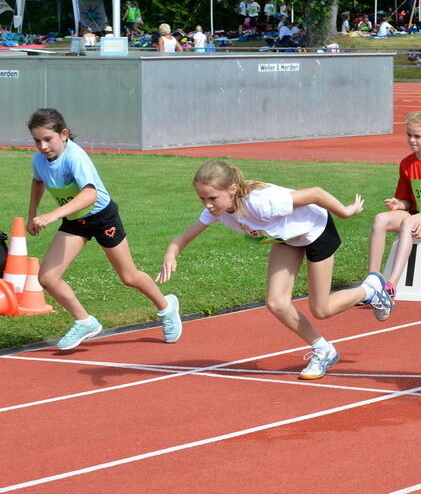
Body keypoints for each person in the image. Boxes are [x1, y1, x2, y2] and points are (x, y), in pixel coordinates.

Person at [157, 160, 393, 380]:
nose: (207, 205)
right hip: (286, 237)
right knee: (276, 302)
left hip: (315, 230)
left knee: (321, 309)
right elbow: (182, 237)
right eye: (202, 198)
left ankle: (370, 290)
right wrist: (170, 254)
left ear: (231, 189)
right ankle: (323, 349)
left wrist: (344, 212)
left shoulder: (262, 203)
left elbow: (316, 193)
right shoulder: (216, 211)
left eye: (212, 198)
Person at [25, 108, 182, 350]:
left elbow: (90, 194)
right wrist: (32, 214)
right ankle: (85, 321)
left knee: (129, 276)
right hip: (75, 220)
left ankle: (167, 307)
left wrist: (54, 214)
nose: (43, 146)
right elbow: (38, 181)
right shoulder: (39, 160)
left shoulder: (74, 158)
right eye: (37, 140)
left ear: (64, 134)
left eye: (48, 139)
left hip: (102, 217)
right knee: (47, 277)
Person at [364, 111, 421, 296]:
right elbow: (408, 201)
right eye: (409, 135)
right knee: (380, 219)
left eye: (417, 136)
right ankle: (372, 282)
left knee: (408, 223)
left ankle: (391, 284)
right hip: (416, 215)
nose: (412, 140)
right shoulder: (406, 163)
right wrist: (398, 205)